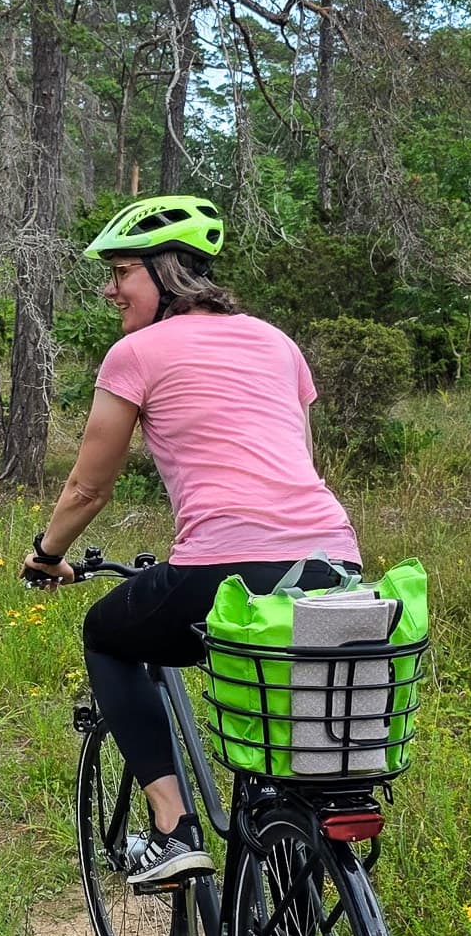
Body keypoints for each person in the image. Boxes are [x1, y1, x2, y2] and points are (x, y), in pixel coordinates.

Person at [20, 195, 362, 886]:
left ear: (167, 271)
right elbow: (300, 459)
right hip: (334, 562)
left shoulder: (136, 352)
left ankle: (173, 828)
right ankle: (292, 902)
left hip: (223, 570)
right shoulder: (278, 342)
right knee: (283, 743)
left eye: (122, 273)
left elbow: (89, 487)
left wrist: (47, 554)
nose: (111, 290)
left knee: (108, 633)